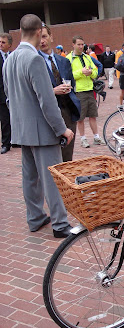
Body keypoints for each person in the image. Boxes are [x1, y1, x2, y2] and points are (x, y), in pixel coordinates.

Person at [3, 14, 74, 238]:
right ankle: (60, 224)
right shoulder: (34, 59)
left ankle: (35, 217)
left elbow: (9, 95)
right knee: (52, 177)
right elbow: (46, 100)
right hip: (41, 130)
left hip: (21, 129)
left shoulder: (10, 59)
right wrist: (62, 128)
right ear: (37, 32)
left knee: (30, 177)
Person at [39, 24, 81, 161]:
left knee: (67, 156)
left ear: (51, 37)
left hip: (67, 111)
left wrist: (68, 89)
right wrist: (52, 91)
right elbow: (33, 91)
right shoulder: (35, 62)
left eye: (44, 36)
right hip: (48, 115)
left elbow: (72, 83)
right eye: (38, 38)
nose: (42, 41)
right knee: (51, 157)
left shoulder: (63, 61)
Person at [66, 36, 105, 148]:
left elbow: (95, 71)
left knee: (93, 115)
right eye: (78, 44)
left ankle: (96, 137)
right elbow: (68, 76)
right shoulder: (69, 59)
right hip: (78, 91)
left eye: (82, 44)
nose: (81, 46)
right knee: (81, 117)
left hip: (89, 89)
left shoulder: (87, 57)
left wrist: (91, 73)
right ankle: (83, 138)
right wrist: (81, 72)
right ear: (73, 45)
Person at [0, 33, 12, 154]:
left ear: (9, 44)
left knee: (15, 118)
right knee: (5, 120)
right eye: (0, 42)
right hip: (2, 94)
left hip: (14, 93)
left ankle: (16, 140)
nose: (1, 44)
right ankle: (5, 143)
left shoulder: (13, 56)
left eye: (3, 42)